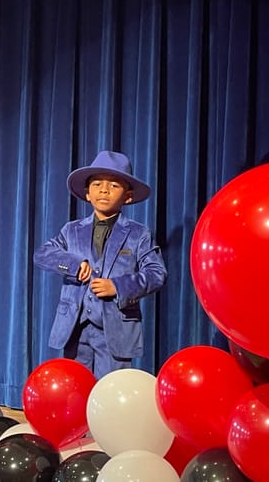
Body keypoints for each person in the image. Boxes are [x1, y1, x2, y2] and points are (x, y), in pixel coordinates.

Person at [33, 150, 167, 378]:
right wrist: (73, 265)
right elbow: (43, 254)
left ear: (128, 196)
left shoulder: (138, 233)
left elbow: (156, 273)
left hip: (116, 330)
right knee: (76, 387)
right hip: (74, 327)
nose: (104, 190)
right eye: (97, 184)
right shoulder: (72, 230)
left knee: (111, 389)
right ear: (87, 193)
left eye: (114, 185)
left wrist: (118, 287)